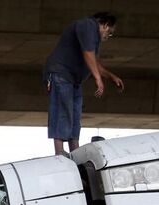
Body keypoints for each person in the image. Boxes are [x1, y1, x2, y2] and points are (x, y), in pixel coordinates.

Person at [43, 12, 124, 156]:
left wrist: (111, 76)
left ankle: (75, 151)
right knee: (63, 110)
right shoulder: (87, 25)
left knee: (75, 114)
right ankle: (59, 150)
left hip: (74, 80)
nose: (107, 37)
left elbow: (93, 60)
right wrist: (98, 79)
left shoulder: (93, 38)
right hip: (61, 74)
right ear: (105, 25)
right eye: (109, 33)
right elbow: (88, 54)